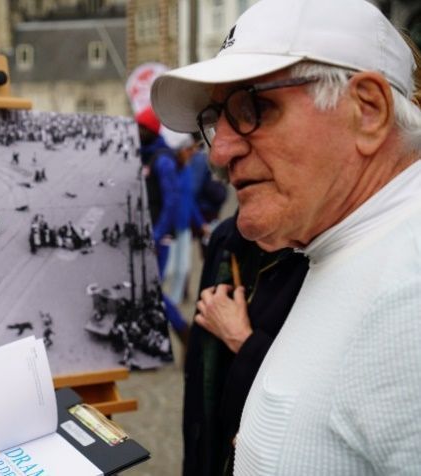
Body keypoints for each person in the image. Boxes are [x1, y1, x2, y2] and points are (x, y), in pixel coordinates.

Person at [152, 0, 421, 472]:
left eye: (254, 107)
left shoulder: (408, 297)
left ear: (368, 111)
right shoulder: (342, 245)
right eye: (217, 119)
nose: (220, 153)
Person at [183, 214, 308, 475]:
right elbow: (199, 379)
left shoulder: (318, 252)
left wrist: (242, 340)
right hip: (211, 439)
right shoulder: (227, 236)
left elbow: (312, 393)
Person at [136, 105, 187, 338]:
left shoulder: (163, 160)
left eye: (140, 127)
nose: (136, 131)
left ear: (150, 130)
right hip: (148, 235)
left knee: (151, 290)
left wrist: (156, 236)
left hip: (159, 238)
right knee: (147, 290)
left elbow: (171, 202)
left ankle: (183, 329)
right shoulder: (145, 155)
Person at [160, 130, 207, 305]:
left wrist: (200, 223)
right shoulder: (168, 169)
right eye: (188, 149)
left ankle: (172, 305)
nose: (192, 152)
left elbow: (190, 200)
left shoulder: (187, 169)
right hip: (170, 229)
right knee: (168, 270)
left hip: (184, 227)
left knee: (183, 269)